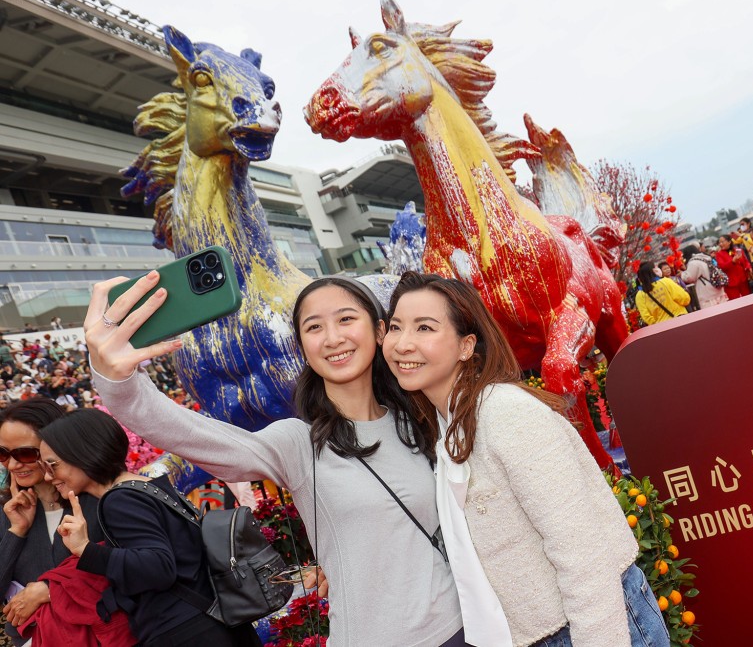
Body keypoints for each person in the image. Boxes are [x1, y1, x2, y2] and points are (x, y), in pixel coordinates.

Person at [84, 273, 465, 647]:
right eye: (314, 327)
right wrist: (118, 380)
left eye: (346, 319)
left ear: (380, 330)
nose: (333, 338)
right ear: (302, 346)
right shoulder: (298, 442)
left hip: (460, 624)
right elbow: (188, 433)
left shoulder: (417, 420)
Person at [384, 272, 667, 647]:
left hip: (590, 625)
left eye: (424, 328)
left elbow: (582, 553)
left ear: (466, 346)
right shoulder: (447, 425)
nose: (403, 344)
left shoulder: (505, 413)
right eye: (395, 327)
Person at [38, 409, 252, 646]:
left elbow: (158, 567)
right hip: (213, 621)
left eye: (51, 465)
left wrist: (85, 549)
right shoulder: (148, 487)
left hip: (185, 632)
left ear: (81, 453)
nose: (47, 477)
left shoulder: (120, 500)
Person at [0, 397, 100, 646]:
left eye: (25, 453)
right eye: (3, 454)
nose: (13, 464)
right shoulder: (7, 510)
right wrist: (16, 531)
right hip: (34, 638)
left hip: (96, 636)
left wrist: (51, 589)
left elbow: (126, 569)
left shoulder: (95, 500)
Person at [714, 235, 751, 300]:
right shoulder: (719, 254)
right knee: (735, 302)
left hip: (743, 280)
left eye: (722, 242)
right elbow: (722, 266)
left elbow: (745, 262)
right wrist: (732, 261)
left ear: (729, 242)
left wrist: (749, 267)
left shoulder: (737, 250)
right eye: (719, 242)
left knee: (748, 299)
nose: (720, 244)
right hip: (731, 283)